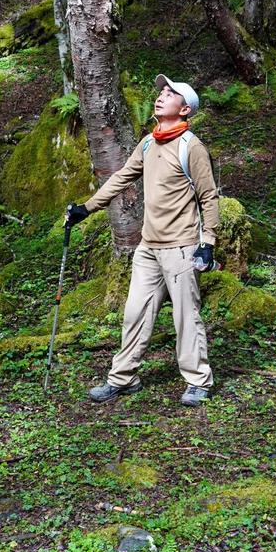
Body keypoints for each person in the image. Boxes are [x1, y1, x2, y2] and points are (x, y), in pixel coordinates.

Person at [66, 74, 219, 407]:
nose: (161, 96)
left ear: (185, 110)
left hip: (181, 247)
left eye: (170, 94)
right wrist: (87, 208)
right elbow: (121, 177)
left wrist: (207, 242)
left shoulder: (191, 147)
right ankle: (123, 378)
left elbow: (209, 197)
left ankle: (198, 381)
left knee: (186, 316)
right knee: (135, 312)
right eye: (161, 92)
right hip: (148, 247)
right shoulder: (149, 143)